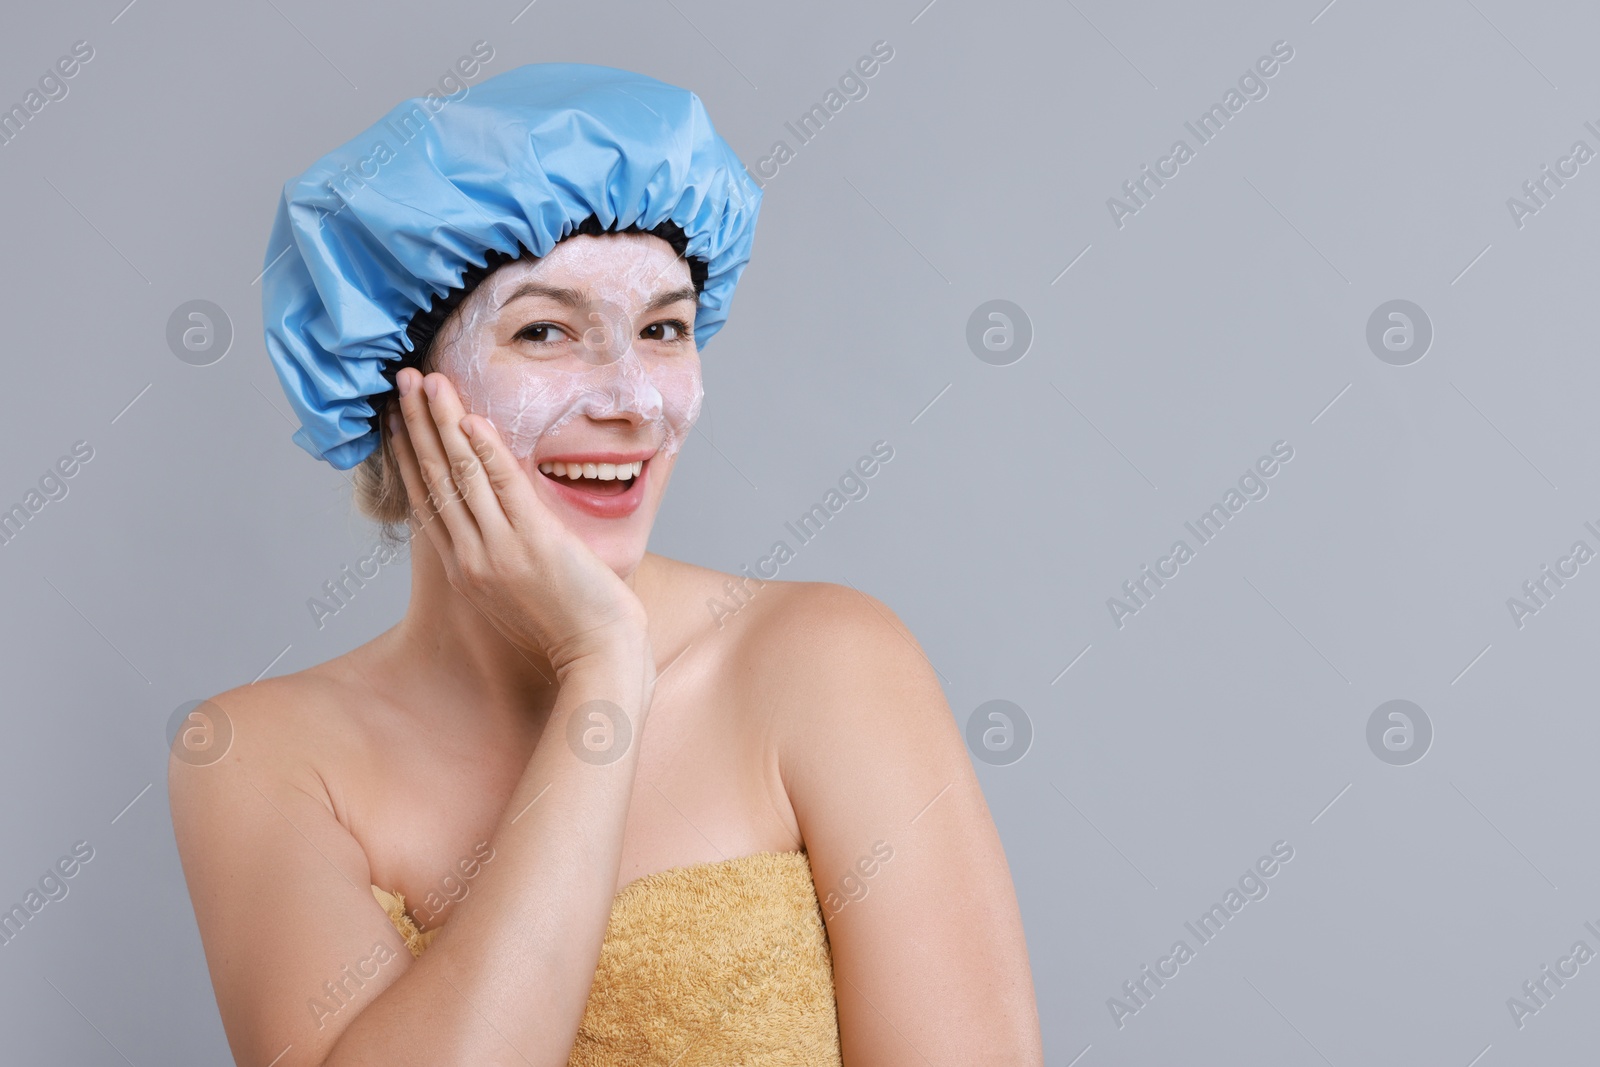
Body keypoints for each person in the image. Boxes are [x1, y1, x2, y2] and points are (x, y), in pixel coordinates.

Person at [169, 61, 1043, 1066]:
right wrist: (604, 674)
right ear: (392, 384)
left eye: (664, 328)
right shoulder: (256, 754)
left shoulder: (825, 663)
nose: (635, 398)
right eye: (544, 330)